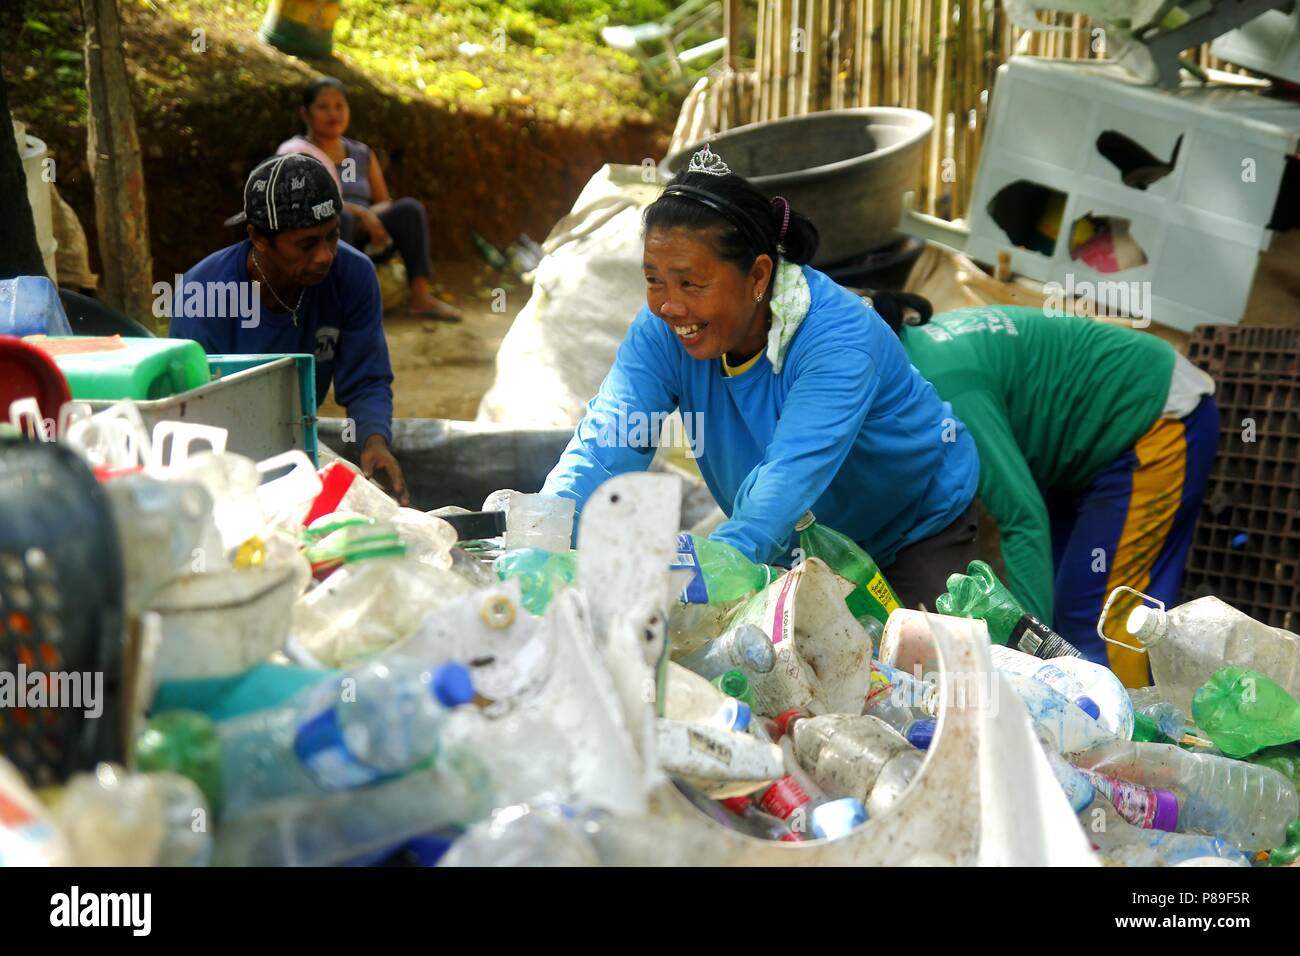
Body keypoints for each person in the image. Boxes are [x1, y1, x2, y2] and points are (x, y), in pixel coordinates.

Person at [538, 146, 981, 608]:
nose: (670, 304)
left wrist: (695, 583)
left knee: (913, 667)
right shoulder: (664, 331)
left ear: (758, 277)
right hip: (798, 540)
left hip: (913, 527)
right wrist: (542, 530)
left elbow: (787, 478)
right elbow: (608, 441)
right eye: (654, 280)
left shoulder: (837, 340)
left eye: (691, 283)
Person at [886, 299, 1217, 685]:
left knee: (1097, 620)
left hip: (1155, 417)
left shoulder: (947, 384)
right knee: (1064, 611)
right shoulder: (912, 353)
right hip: (1080, 451)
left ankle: (1128, 735)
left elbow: (1023, 519)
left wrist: (1023, 663)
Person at [170, 153, 409, 505]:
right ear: (259, 237)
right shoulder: (204, 292)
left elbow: (366, 380)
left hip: (298, 448)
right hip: (222, 463)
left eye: (332, 236)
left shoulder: (354, 275)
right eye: (307, 244)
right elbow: (192, 411)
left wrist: (373, 441)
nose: (325, 255)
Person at [278, 76, 464, 323]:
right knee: (340, 217)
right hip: (323, 231)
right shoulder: (296, 152)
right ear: (306, 114)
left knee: (410, 209)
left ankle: (420, 296)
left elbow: (384, 200)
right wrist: (361, 213)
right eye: (323, 107)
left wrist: (371, 216)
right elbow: (303, 204)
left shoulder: (360, 154)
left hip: (369, 231)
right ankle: (332, 304)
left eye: (339, 106)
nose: (333, 113)